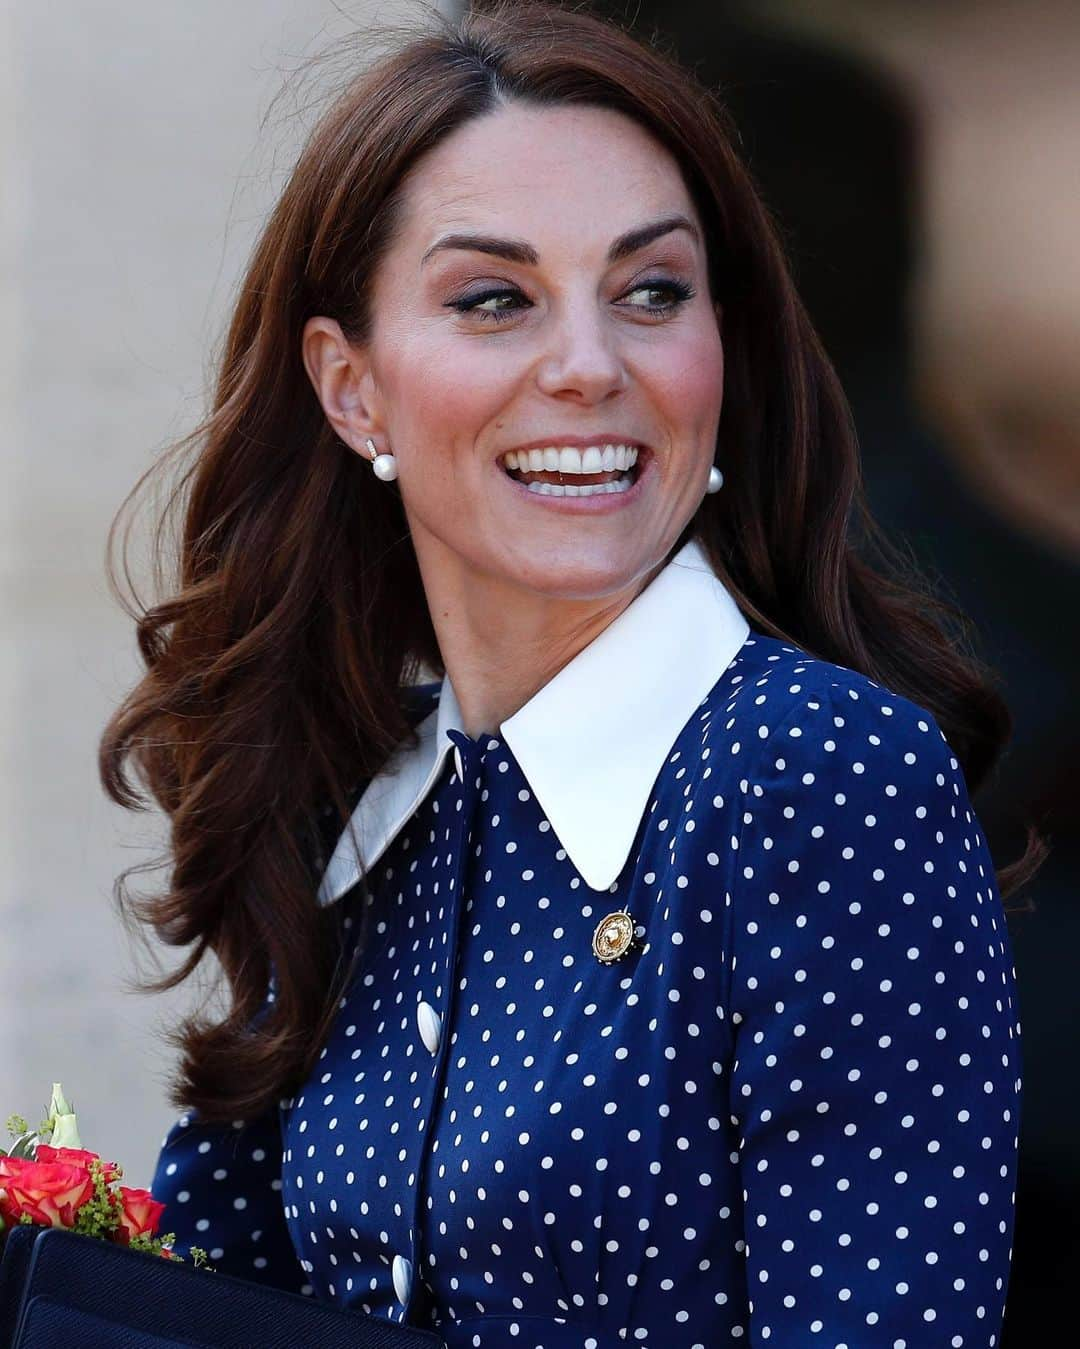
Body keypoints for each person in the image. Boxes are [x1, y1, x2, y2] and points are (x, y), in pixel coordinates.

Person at [100, 2, 1046, 1344]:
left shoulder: (817, 776)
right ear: (351, 387)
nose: (592, 368)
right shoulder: (356, 798)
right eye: (495, 299)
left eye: (652, 292)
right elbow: (213, 1298)